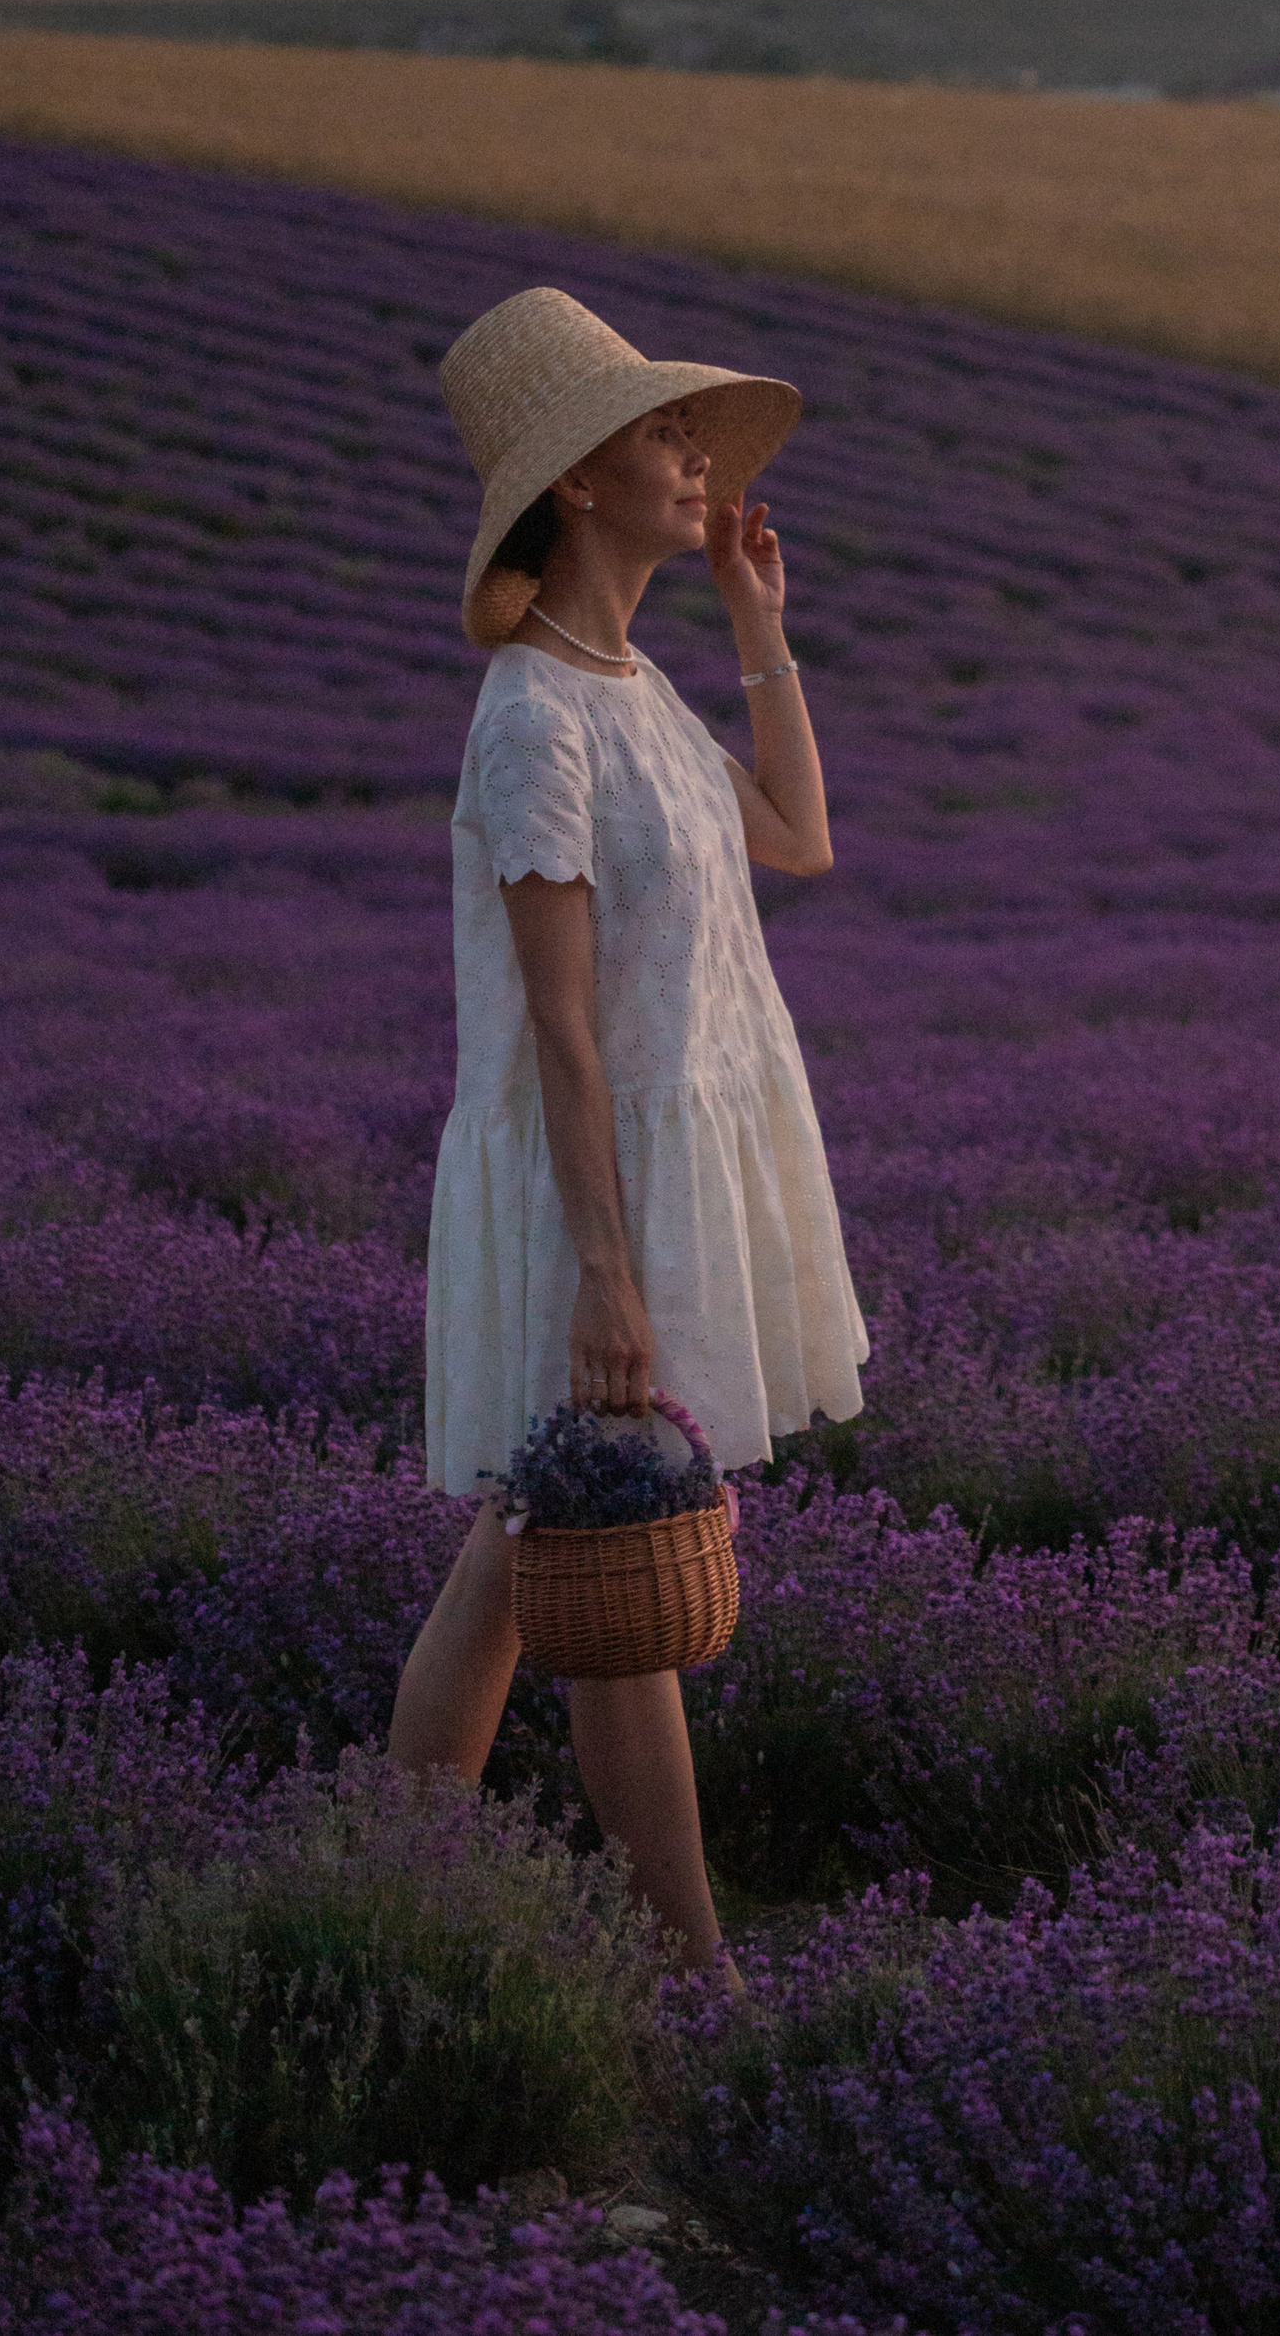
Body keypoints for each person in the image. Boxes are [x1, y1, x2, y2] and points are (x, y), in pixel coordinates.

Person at [389, 283, 867, 1967]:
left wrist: (755, 624)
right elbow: (560, 1024)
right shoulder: (533, 717)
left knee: (534, 1547)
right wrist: (606, 1271)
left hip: (664, 1166)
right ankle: (702, 1984)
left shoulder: (638, 684)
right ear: (575, 480)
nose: (696, 456)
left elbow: (799, 837)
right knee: (609, 1566)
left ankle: (400, 1886)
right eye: (665, 432)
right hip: (601, 1189)